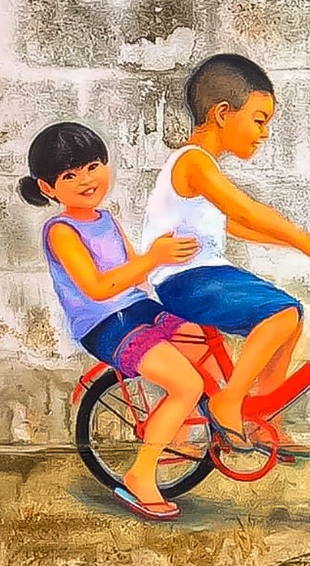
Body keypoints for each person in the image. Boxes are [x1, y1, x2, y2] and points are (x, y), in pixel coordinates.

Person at [142, 53, 310, 451]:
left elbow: (236, 226)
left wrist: (302, 240)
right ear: (222, 114)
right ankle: (229, 401)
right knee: (282, 313)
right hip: (186, 281)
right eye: (259, 120)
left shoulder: (202, 168)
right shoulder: (194, 163)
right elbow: (246, 211)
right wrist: (304, 243)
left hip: (202, 277)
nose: (264, 133)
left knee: (290, 321)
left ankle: (263, 422)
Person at [19, 121, 207, 522]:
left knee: (198, 339)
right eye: (70, 176)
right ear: (48, 188)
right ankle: (141, 476)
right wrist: (153, 257)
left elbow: (135, 272)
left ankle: (176, 435)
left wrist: (175, 269)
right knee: (188, 384)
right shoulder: (61, 231)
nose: (86, 180)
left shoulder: (106, 218)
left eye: (92, 167)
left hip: (134, 306)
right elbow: (99, 287)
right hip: (104, 323)